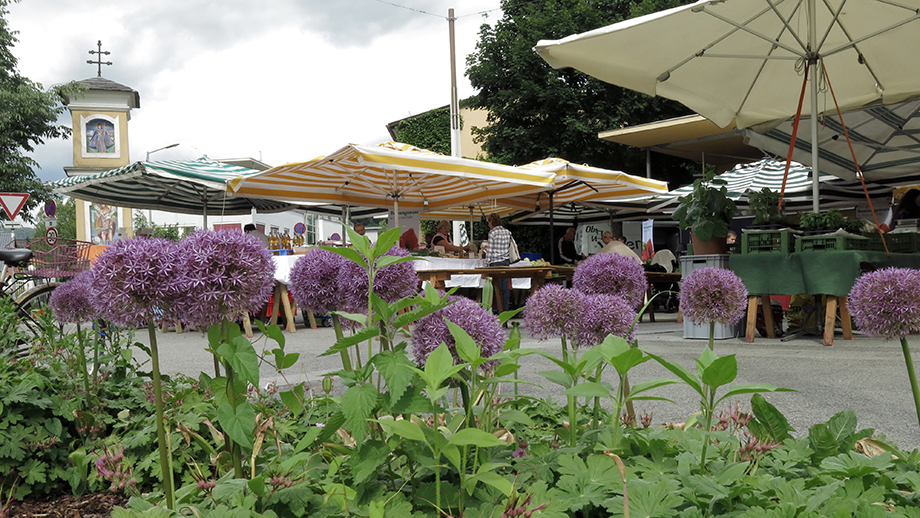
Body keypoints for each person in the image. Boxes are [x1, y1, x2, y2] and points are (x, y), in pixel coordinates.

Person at [486, 213, 512, 312]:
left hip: (495, 262)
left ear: (491, 222)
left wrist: (487, 262)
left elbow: (490, 250)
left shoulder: (492, 233)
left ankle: (498, 309)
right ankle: (505, 310)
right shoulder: (507, 232)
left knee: (496, 288)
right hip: (505, 261)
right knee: (505, 288)